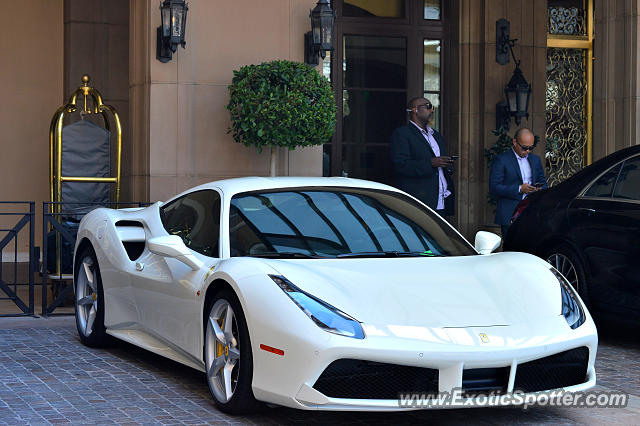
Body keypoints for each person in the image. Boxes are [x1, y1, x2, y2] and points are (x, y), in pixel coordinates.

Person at [390, 97, 455, 216]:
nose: (432, 110)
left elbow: (440, 165)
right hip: (420, 201)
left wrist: (448, 164)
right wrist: (431, 163)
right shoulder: (402, 134)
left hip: (442, 200)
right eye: (428, 106)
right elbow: (401, 165)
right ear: (415, 110)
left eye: (433, 107)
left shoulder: (436, 135)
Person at [489, 127, 547, 238]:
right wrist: (519, 189)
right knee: (511, 250)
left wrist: (539, 189)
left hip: (532, 212)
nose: (527, 151)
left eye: (531, 148)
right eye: (525, 148)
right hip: (510, 214)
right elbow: (494, 187)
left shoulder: (535, 160)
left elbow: (543, 182)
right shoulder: (501, 160)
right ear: (515, 142)